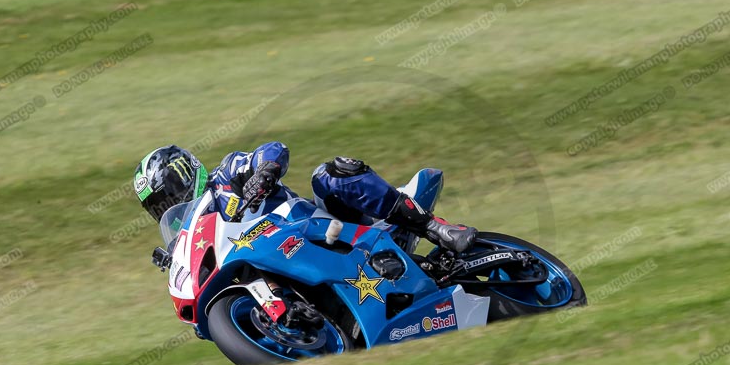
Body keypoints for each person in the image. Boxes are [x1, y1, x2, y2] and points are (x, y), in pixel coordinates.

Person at [133, 143, 476, 252]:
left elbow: (273, 149)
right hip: (284, 260)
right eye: (158, 205)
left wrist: (264, 171)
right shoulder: (191, 240)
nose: (169, 204)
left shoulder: (226, 175)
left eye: (169, 192)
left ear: (185, 172)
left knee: (329, 174)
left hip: (325, 230)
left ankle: (434, 228)